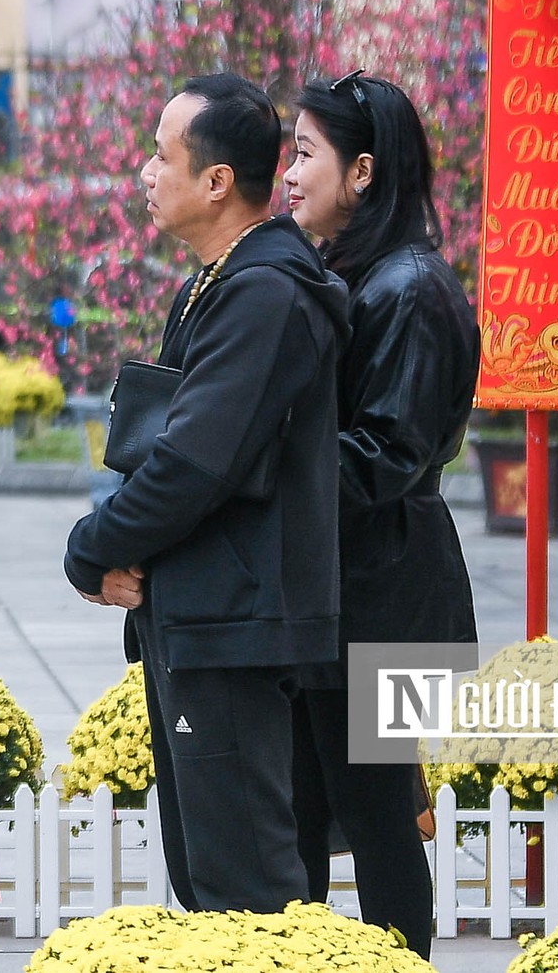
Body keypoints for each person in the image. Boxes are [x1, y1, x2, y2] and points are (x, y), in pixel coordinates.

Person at [64, 73, 348, 913]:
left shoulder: (264, 292)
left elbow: (194, 465)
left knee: (243, 888)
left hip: (234, 622)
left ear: (218, 181)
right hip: (201, 612)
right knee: (204, 874)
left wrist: (92, 548)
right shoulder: (218, 280)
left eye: (162, 157)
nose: (146, 174)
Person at [282, 71, 478, 957]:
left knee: (379, 820)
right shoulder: (355, 274)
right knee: (309, 815)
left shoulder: (410, 292)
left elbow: (391, 455)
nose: (288, 172)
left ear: (362, 172)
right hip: (343, 585)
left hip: (387, 592)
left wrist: (265, 478)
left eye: (304, 152)